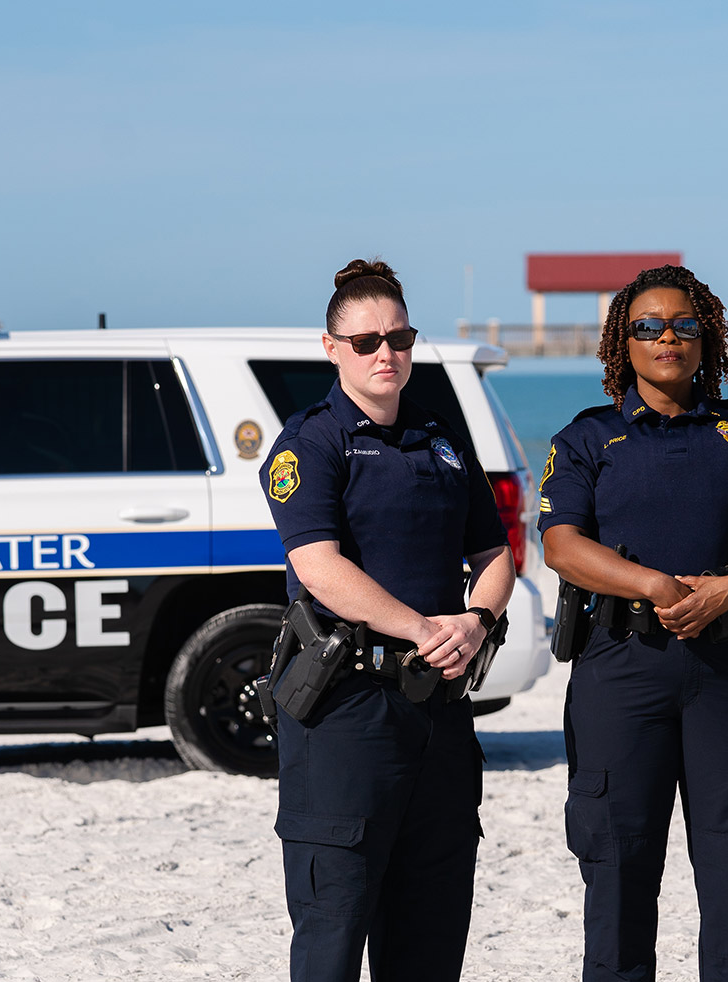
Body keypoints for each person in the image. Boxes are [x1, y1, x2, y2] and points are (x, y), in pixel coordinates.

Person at [540, 264, 728, 981]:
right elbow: (560, 543)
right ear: (621, 344)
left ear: (708, 338)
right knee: (618, 872)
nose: (668, 337)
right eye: (648, 326)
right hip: (622, 671)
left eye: (685, 325)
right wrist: (654, 584)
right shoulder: (586, 439)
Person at [261, 258, 516, 982]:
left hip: (437, 714)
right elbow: (318, 566)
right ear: (331, 348)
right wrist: (421, 628)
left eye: (399, 338)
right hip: (347, 715)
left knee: (431, 940)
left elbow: (495, 553)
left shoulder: (440, 438)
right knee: (333, 936)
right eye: (367, 340)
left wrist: (476, 620)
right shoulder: (311, 442)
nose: (385, 354)